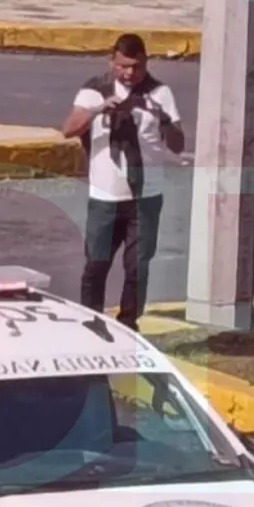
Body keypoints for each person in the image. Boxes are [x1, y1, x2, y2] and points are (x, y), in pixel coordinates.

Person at [60, 33, 184, 331]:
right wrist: (99, 110)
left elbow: (178, 145)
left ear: (146, 64)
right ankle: (90, 321)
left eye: (137, 67)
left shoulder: (160, 93)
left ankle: (129, 323)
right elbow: (68, 129)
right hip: (105, 194)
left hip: (146, 196)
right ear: (112, 62)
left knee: (137, 266)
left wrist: (162, 118)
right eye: (124, 66)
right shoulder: (95, 89)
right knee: (96, 264)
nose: (130, 73)